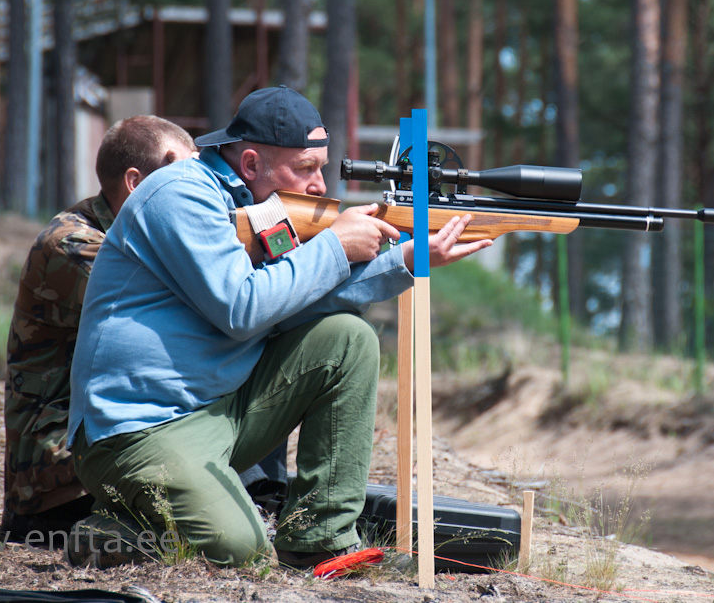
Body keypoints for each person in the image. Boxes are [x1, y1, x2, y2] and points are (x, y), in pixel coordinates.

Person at [67, 86, 491, 568]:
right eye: (306, 168)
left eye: (321, 168)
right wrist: (334, 246)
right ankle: (107, 532)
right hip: (138, 427)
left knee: (347, 340)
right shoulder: (179, 193)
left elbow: (293, 303)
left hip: (219, 409)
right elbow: (242, 308)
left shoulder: (257, 207)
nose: (318, 185)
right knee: (239, 548)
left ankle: (322, 542)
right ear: (250, 164)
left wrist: (406, 260)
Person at [2, 115, 197, 541]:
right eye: (181, 177)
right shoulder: (73, 246)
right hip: (56, 474)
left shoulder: (135, 236)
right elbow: (188, 319)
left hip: (105, 440)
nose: (195, 193)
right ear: (135, 182)